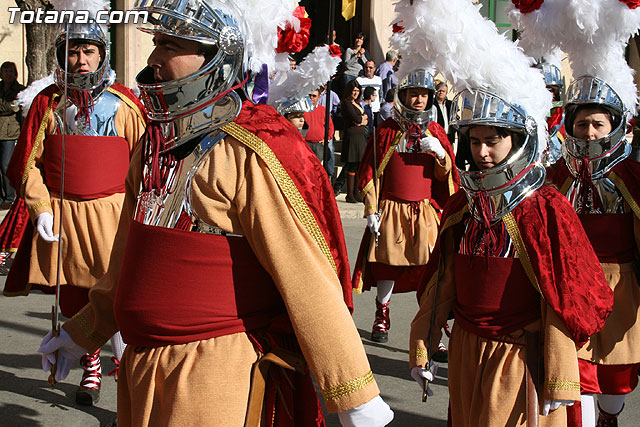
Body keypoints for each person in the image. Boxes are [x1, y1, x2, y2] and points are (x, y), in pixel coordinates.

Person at [38, 1, 393, 426]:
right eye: (156, 43)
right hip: (140, 369)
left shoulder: (250, 149)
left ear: (216, 55)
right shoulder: (153, 144)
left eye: (170, 45)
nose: (154, 58)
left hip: (212, 370)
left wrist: (354, 391)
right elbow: (127, 263)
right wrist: (82, 334)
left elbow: (305, 276)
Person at [398, 0, 614, 425]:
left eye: (492, 140)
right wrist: (422, 344)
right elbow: (443, 281)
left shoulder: (545, 208)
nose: (480, 152)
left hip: (520, 359)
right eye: (474, 140)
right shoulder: (463, 206)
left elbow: (561, 298)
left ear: (518, 141)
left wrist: (560, 375)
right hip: (465, 350)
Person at [3, 19, 146, 406]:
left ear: (102, 55)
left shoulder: (126, 103)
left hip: (114, 215)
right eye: (73, 52)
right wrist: (41, 208)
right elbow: (26, 164)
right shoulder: (47, 103)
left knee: (117, 296)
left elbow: (144, 162)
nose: (81, 61)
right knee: (75, 299)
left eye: (89, 52)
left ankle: (127, 376)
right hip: (64, 216)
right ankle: (91, 365)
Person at [546, 77, 640, 427]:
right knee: (576, 373)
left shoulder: (632, 176)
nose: (589, 132)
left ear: (613, 128)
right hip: (572, 289)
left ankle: (609, 416)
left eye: (598, 124)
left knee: (618, 378)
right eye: (582, 123)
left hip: (622, 286)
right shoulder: (556, 176)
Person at [352, 69, 455, 345]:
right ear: (403, 96)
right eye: (414, 94)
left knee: (430, 269)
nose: (419, 100)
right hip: (391, 209)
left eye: (424, 95)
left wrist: (441, 153)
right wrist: (371, 210)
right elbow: (370, 173)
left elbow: (446, 180)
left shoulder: (436, 132)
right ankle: (381, 314)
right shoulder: (386, 130)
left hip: (424, 211)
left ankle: (433, 324)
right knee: (387, 265)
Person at [0, 62, 24, 208]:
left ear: (15, 73)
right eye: (4, 71)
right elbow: (9, 107)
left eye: (10, 71)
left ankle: (9, 197)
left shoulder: (20, 90)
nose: (7, 74)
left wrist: (8, 107)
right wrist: (7, 107)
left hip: (10, 133)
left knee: (6, 165)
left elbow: (14, 107)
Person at [340, 79, 368, 203]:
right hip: (352, 137)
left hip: (360, 136)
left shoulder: (358, 104)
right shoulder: (346, 103)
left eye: (357, 91)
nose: (355, 93)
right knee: (351, 165)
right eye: (353, 90)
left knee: (358, 165)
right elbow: (356, 119)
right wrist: (361, 120)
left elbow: (365, 119)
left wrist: (362, 120)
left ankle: (357, 192)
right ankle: (350, 193)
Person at [305, 88, 335, 176]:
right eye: (310, 95)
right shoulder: (303, 110)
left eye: (314, 96)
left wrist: (327, 138)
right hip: (306, 144)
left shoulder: (324, 110)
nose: (311, 97)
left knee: (319, 170)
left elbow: (330, 127)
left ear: (318, 97)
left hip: (319, 144)